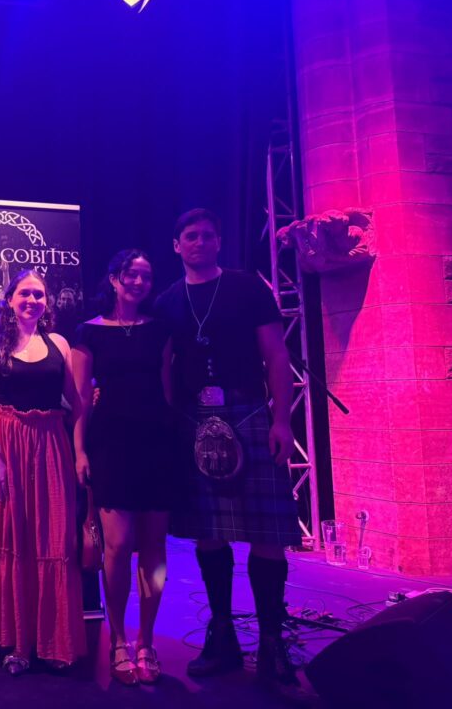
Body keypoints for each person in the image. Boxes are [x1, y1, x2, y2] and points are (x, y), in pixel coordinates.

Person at [154, 208, 300, 689]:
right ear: (176, 245)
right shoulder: (169, 301)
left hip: (251, 413)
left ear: (220, 241)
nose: (200, 242)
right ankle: (222, 634)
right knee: (209, 534)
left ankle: (273, 640)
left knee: (267, 534)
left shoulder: (247, 287)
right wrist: (174, 424)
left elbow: (276, 354)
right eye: (190, 236)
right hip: (195, 419)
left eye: (208, 235)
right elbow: (165, 367)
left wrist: (282, 419)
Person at [0, 270, 86, 675]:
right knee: (11, 540)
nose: (32, 300)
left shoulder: (59, 344)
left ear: (46, 302)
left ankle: (54, 641)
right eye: (25, 293)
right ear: (10, 299)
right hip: (4, 446)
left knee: (52, 540)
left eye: (39, 294)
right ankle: (18, 644)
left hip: (50, 446)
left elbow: (76, 401)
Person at [72, 250, 177, 686]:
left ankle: (146, 640)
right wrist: (79, 451)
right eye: (131, 274)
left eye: (146, 275)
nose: (138, 281)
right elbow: (79, 399)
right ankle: (117, 639)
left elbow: (169, 391)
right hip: (110, 445)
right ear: (114, 279)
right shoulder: (88, 332)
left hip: (156, 444)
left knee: (154, 547)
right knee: (116, 546)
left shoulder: (162, 330)